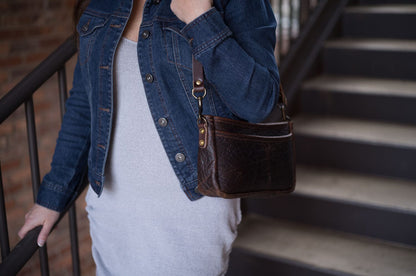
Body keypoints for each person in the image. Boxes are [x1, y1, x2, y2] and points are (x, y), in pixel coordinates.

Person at [18, 0, 280, 274]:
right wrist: (52, 196)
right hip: (112, 211)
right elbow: (85, 106)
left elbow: (259, 102)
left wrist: (199, 18)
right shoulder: (102, 5)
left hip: (191, 211)